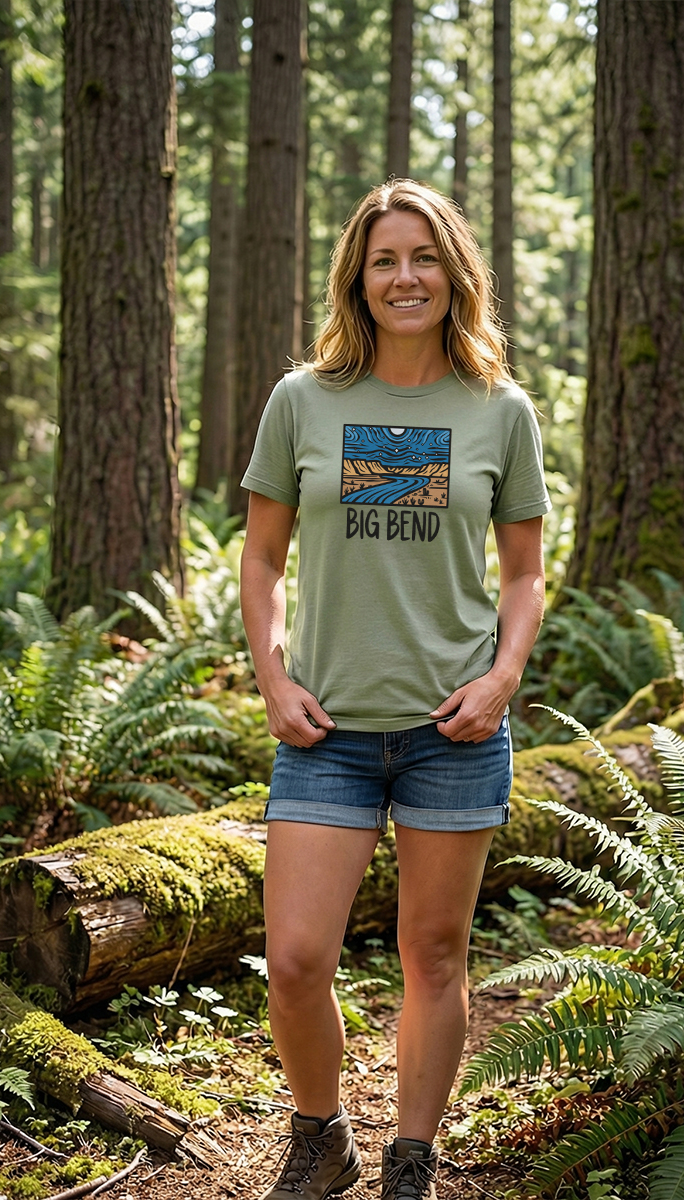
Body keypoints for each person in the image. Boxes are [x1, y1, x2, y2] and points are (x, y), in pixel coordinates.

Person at [239, 178, 549, 1200]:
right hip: (325, 730)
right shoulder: (304, 401)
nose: (404, 276)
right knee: (294, 961)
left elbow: (523, 576)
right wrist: (272, 677)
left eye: (424, 257)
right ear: (358, 278)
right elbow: (262, 562)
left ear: (455, 274)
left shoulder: (500, 412)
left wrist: (502, 680)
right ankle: (320, 1136)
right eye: (385, 260)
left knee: (433, 958)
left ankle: (411, 1158)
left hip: (451, 733)